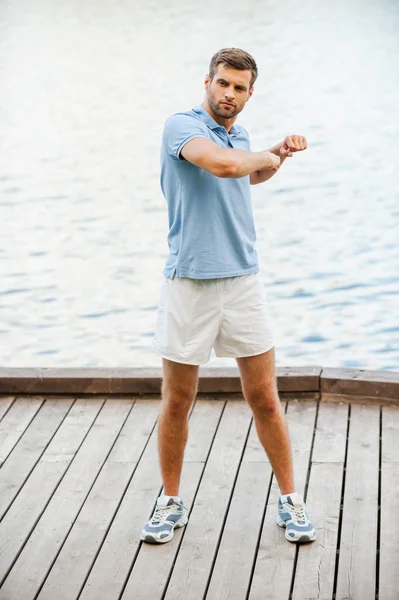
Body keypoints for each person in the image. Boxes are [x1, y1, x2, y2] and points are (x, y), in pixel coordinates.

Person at [141, 48, 316, 545]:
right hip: (189, 283)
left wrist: (275, 155)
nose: (229, 94)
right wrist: (261, 156)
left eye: (239, 88)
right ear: (208, 82)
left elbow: (251, 173)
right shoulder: (183, 126)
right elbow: (221, 166)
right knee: (178, 399)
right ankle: (169, 502)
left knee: (264, 397)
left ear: (249, 94)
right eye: (222, 84)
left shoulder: (239, 133)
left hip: (243, 282)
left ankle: (290, 501)